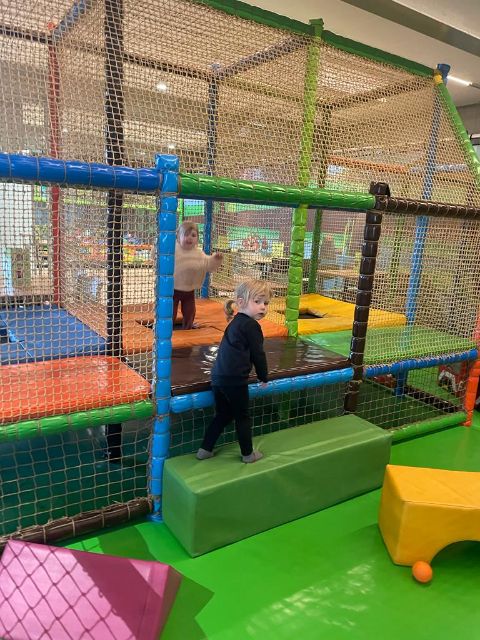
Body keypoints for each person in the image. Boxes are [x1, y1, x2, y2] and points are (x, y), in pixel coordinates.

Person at [196, 279, 271, 463]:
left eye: (266, 303)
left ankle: (205, 449)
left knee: (223, 414)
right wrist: (263, 376)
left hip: (218, 377)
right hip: (235, 380)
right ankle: (248, 454)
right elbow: (258, 353)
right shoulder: (252, 326)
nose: (263, 307)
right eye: (257, 301)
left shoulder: (235, 322)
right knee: (242, 417)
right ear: (241, 302)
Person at [173, 221, 223, 329]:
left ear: (197, 238)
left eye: (193, 235)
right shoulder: (174, 249)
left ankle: (188, 327)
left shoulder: (198, 253)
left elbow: (208, 264)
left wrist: (215, 259)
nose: (189, 238)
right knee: (170, 311)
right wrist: (157, 247)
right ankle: (167, 328)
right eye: (186, 234)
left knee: (190, 311)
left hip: (189, 290)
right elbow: (158, 254)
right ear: (178, 236)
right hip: (172, 289)